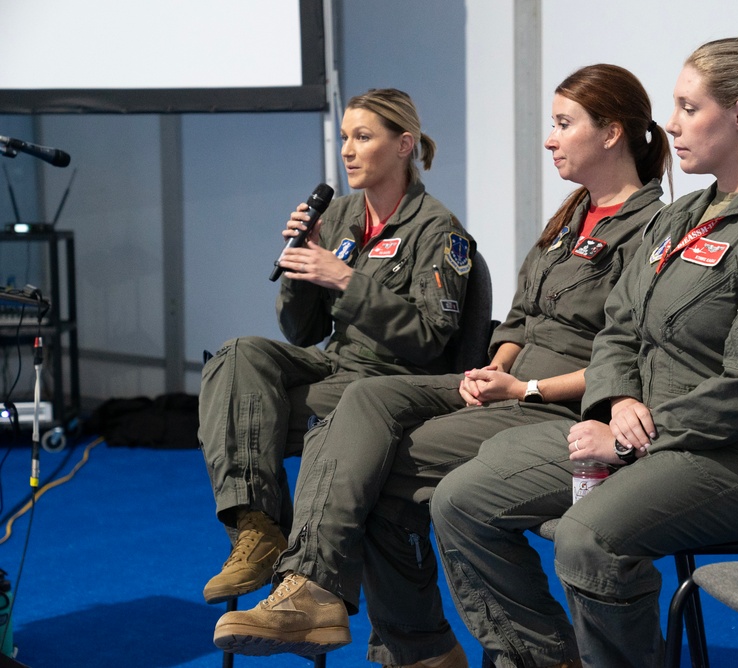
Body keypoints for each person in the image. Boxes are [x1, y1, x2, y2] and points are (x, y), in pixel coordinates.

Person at [211, 63, 671, 667]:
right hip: (498, 385)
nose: (549, 137)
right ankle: (294, 566)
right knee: (281, 378)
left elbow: (626, 355)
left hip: (563, 408)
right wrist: (497, 368)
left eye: (562, 124)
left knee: (366, 455)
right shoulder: (569, 218)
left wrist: (524, 386)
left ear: (611, 133)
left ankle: (402, 636)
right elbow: (518, 320)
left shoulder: (656, 228)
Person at [431, 35, 738, 667]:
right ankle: (547, 659)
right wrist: (619, 399)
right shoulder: (680, 218)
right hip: (643, 430)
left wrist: (630, 439)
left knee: (586, 538)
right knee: (461, 500)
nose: (670, 124)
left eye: (687, 108)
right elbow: (619, 329)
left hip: (736, 457)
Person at [199, 88, 476, 608]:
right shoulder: (344, 214)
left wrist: (348, 281)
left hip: (389, 379)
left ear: (403, 145)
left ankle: (299, 567)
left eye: (363, 137)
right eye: (345, 137)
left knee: (240, 416)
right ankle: (255, 529)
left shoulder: (438, 229)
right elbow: (300, 332)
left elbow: (430, 340)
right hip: (334, 360)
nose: (347, 150)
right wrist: (301, 266)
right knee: (238, 356)